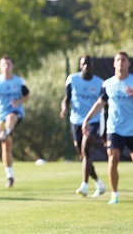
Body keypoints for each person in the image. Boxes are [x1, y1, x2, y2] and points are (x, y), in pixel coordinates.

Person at [83, 51, 133, 205]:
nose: (120, 62)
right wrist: (87, 119)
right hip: (114, 129)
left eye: (123, 60)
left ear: (128, 64)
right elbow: (100, 103)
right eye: (118, 60)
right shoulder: (108, 84)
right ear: (114, 64)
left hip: (132, 129)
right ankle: (114, 194)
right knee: (113, 159)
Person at [60, 55, 106, 198]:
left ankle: (84, 185)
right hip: (76, 121)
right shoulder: (72, 79)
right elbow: (66, 98)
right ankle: (99, 183)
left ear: (93, 66)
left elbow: (103, 104)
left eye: (89, 64)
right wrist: (64, 108)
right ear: (80, 66)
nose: (86, 66)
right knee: (84, 155)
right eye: (83, 64)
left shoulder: (100, 83)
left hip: (93, 121)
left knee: (86, 148)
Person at [0, 55, 30, 188]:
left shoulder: (19, 81)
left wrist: (18, 102)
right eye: (4, 64)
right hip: (0, 115)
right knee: (6, 145)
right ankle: (10, 176)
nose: (6, 67)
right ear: (0, 67)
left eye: (8, 64)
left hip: (16, 113)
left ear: (12, 66)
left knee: (10, 117)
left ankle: (6, 131)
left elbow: (27, 95)